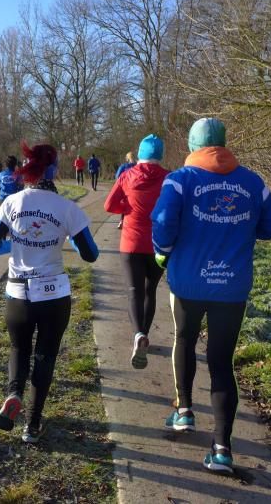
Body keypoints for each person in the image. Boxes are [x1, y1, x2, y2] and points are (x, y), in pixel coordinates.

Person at [152, 118, 271, 474]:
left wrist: (163, 251)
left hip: (188, 283)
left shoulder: (179, 180)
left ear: (192, 146)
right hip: (232, 286)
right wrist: (242, 228)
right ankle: (222, 449)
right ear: (224, 143)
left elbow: (162, 223)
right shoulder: (253, 182)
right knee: (222, 362)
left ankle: (184, 412)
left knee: (184, 339)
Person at [0, 141, 99, 443]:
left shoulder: (12, 202)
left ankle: (14, 394)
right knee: (45, 356)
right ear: (55, 169)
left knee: (18, 348)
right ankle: (32, 425)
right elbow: (90, 254)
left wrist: (14, 247)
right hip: (53, 294)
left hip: (18, 293)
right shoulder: (67, 208)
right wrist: (71, 241)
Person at [103, 135, 169, 370]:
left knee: (134, 291)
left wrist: (129, 207)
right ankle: (145, 336)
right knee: (150, 291)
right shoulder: (169, 178)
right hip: (158, 245)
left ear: (140, 154)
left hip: (131, 244)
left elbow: (109, 205)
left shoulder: (127, 175)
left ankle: (138, 334)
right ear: (160, 155)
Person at [115, 152, 137, 229]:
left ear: (127, 158)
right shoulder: (138, 166)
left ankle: (122, 221)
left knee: (125, 204)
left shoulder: (123, 166)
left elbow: (117, 177)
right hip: (137, 189)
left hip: (126, 189)